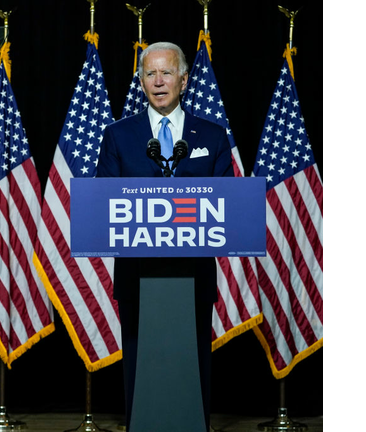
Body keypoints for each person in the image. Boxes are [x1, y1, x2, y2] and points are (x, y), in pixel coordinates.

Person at [97, 42, 233, 430]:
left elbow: (228, 202)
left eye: (167, 73)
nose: (158, 82)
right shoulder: (119, 136)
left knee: (192, 367)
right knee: (142, 369)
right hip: (138, 277)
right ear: (140, 82)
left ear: (184, 80)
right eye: (150, 74)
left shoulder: (212, 134)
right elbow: (103, 201)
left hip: (194, 278)